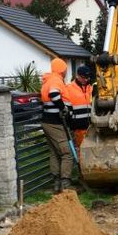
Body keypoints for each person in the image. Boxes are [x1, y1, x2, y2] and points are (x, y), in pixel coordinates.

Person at [40, 57, 73, 192]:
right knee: (67, 153)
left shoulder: (48, 80)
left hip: (48, 121)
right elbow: (54, 94)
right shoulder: (55, 80)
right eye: (65, 70)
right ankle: (65, 184)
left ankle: (56, 183)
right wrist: (63, 108)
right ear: (61, 70)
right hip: (55, 123)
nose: (66, 72)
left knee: (54, 152)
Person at [64, 63, 94, 151]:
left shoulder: (90, 88)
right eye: (84, 77)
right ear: (77, 76)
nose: (86, 79)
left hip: (89, 127)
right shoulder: (68, 88)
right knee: (80, 152)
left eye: (87, 77)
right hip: (77, 128)